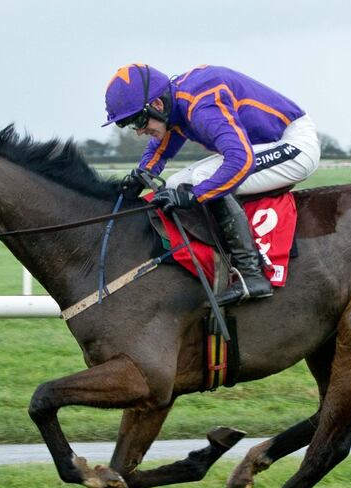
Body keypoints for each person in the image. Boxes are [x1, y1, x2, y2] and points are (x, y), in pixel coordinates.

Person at [102, 63, 320, 306]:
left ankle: (251, 274)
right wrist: (141, 175)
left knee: (202, 179)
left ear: (157, 105)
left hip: (295, 145)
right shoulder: (176, 104)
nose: (139, 131)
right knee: (175, 183)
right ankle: (212, 261)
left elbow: (241, 161)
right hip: (264, 146)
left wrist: (195, 196)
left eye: (139, 121)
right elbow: (161, 148)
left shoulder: (201, 104)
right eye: (132, 124)